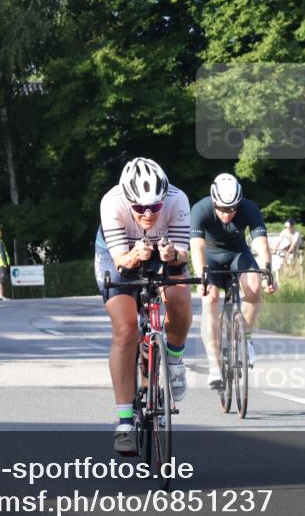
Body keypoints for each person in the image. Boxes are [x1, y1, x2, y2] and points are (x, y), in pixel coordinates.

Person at [94, 157, 192, 456]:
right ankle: (124, 423)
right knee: (126, 330)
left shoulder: (177, 199)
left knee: (179, 298)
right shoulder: (112, 202)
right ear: (127, 200)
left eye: (155, 207)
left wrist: (173, 253)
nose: (148, 214)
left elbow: (182, 257)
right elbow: (122, 261)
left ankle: (173, 358)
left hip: (162, 252)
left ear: (164, 198)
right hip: (119, 254)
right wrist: (134, 256)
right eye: (140, 208)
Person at [189, 173, 276, 391]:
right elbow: (197, 248)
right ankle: (214, 366)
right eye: (222, 209)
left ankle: (245, 338)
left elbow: (261, 243)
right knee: (210, 298)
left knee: (254, 287)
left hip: (238, 253)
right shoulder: (201, 209)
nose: (228, 214)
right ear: (214, 201)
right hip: (210, 256)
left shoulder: (249, 208)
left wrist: (268, 271)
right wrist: (202, 278)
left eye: (232, 209)